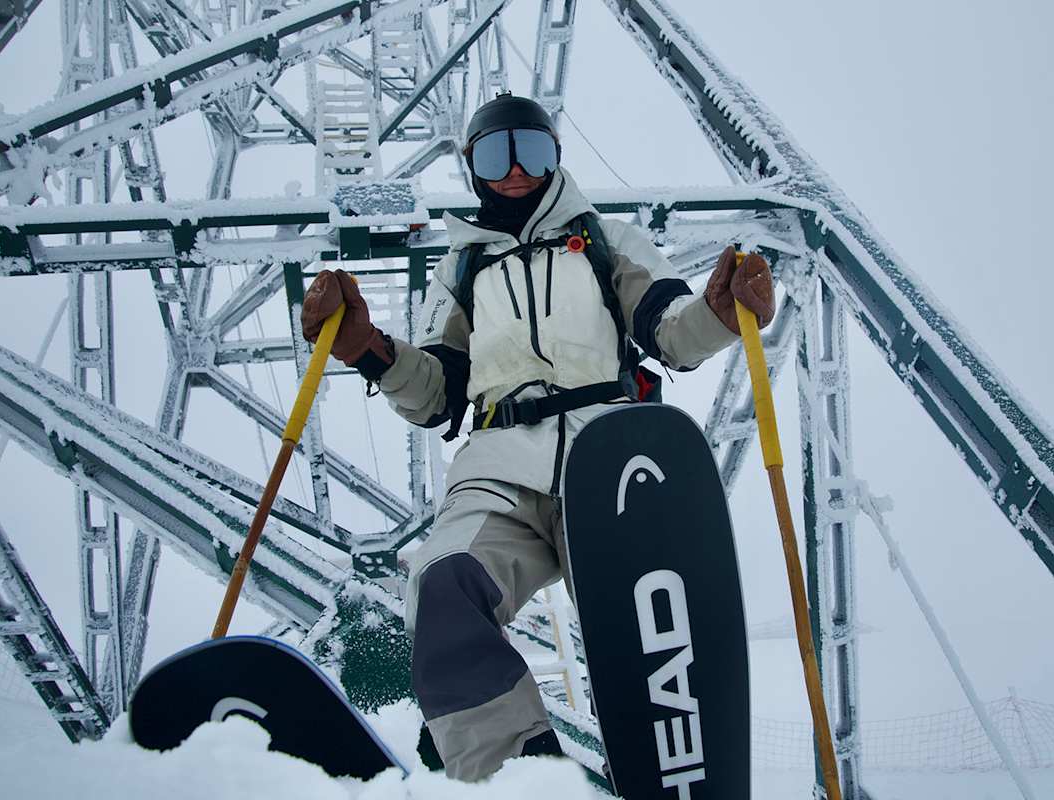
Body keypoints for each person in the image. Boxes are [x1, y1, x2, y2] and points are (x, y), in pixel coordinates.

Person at [301, 93, 774, 781]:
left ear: (556, 156)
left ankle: (673, 770)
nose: (517, 171)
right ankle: (519, 778)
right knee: (440, 584)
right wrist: (370, 349)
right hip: (499, 466)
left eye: (534, 150)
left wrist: (718, 315)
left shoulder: (605, 241)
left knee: (643, 626)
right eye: (497, 155)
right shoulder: (462, 269)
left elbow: (669, 330)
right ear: (472, 167)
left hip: (607, 455)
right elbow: (436, 394)